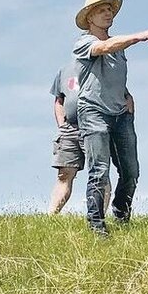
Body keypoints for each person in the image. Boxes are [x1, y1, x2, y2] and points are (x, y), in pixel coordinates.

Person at [72, 0, 148, 237]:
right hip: (93, 112)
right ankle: (96, 224)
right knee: (99, 170)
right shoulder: (84, 42)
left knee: (131, 171)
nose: (108, 13)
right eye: (101, 10)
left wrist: (127, 95)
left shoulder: (119, 45)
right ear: (89, 18)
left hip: (121, 114)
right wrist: (140, 36)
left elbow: (112, 76)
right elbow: (103, 48)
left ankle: (122, 215)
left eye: (110, 9)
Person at [48, 62, 121, 215]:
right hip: (70, 128)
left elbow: (121, 95)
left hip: (95, 126)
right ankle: (51, 216)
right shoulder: (65, 70)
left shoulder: (104, 67)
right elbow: (59, 100)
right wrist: (62, 125)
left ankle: (99, 216)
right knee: (64, 173)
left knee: (100, 172)